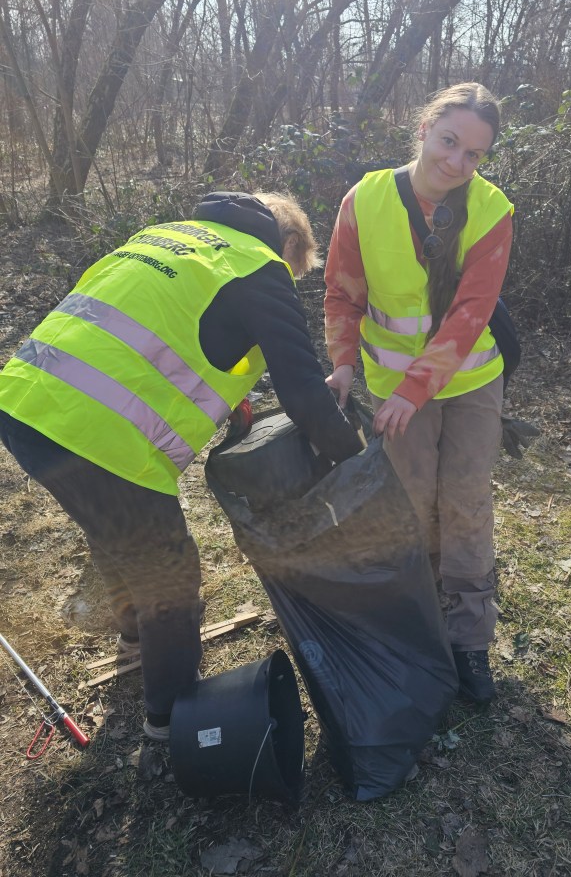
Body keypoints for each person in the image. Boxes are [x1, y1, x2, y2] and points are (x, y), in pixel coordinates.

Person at [0, 191, 363, 740]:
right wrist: (357, 460)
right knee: (169, 571)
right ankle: (170, 720)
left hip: (25, 403)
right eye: (295, 266)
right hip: (99, 433)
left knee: (112, 528)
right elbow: (304, 393)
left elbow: (162, 332)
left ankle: (134, 637)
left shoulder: (165, 236)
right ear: (288, 242)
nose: (289, 275)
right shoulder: (259, 265)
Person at [324, 82, 513, 705]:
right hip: (391, 388)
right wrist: (343, 364)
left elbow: (471, 312)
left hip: (471, 382)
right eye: (449, 141)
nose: (456, 162)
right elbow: (343, 292)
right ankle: (421, 615)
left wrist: (416, 389)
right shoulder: (366, 198)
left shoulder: (491, 210)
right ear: (425, 129)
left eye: (473, 154)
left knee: (465, 501)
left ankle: (468, 637)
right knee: (411, 501)